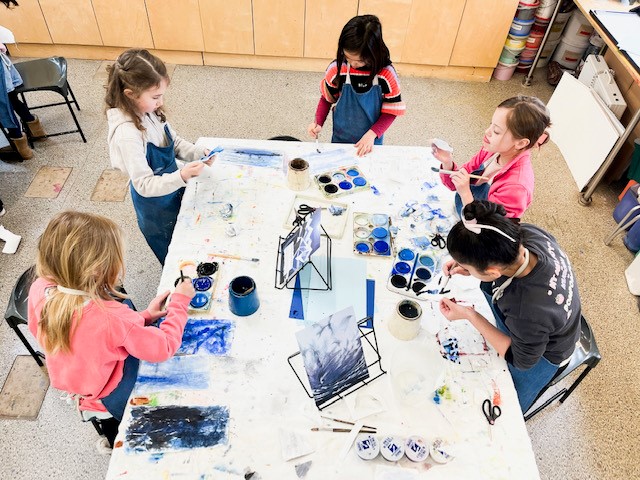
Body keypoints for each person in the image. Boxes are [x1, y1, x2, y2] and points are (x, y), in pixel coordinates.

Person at [28, 211, 195, 447]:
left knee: (110, 428)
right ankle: (118, 442)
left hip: (84, 387)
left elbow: (74, 335)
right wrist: (180, 302)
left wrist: (143, 318)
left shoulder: (40, 288)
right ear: (98, 271)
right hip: (113, 393)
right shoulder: (111, 317)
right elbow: (165, 346)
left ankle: (110, 439)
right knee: (129, 430)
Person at [439, 200, 581, 413]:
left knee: (506, 403)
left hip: (544, 354)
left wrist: (470, 315)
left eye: (469, 267)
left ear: (493, 272)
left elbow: (520, 359)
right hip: (549, 318)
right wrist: (470, 264)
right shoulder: (528, 234)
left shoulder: (527, 310)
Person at [105, 48, 214, 265]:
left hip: (172, 188)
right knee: (174, 254)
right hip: (156, 208)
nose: (161, 102)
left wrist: (197, 153)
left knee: (188, 237)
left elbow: (174, 142)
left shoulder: (149, 111)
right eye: (156, 97)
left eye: (162, 95)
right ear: (130, 94)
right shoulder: (127, 135)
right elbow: (144, 184)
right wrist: (181, 176)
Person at [433, 96, 551, 220]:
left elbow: (489, 227)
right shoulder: (491, 149)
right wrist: (447, 162)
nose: (487, 132)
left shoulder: (516, 188)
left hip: (477, 225)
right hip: (463, 209)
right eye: (491, 124)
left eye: (496, 131)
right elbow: (456, 183)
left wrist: (466, 193)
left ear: (521, 143)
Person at [307, 14, 405, 157]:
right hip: (340, 138)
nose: (353, 64)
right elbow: (326, 99)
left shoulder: (386, 74)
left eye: (359, 61)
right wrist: (318, 122)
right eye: (347, 57)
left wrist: (372, 134)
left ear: (374, 53)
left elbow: (391, 112)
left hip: (370, 141)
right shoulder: (337, 69)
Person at [1, 0, 46, 159]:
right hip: (3, 68)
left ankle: (21, 148)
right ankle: (36, 130)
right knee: (12, 100)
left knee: (4, 108)